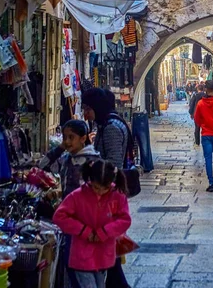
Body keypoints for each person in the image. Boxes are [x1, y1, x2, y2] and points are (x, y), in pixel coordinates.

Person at [39, 119, 100, 288]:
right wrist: (59, 149)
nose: (67, 141)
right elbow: (42, 166)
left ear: (83, 138)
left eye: (71, 137)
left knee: (84, 271)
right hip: (70, 224)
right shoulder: (67, 159)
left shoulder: (93, 161)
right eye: (65, 137)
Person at [82, 88, 133, 288]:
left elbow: (112, 165)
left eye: (88, 109)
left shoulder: (111, 128)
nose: (86, 114)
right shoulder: (108, 124)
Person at [53, 159, 131, 288]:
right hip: (81, 255)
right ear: (90, 179)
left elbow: (125, 220)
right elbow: (59, 216)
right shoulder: (77, 196)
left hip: (104, 254)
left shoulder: (117, 195)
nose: (100, 192)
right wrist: (84, 230)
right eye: (96, 187)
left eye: (104, 188)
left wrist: (105, 232)